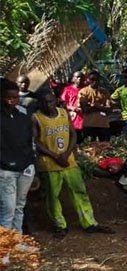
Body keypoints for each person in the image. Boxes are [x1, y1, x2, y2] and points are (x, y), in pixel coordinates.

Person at [32, 90, 112, 238]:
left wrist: (67, 153)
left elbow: (73, 134)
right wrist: (55, 156)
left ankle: (89, 223)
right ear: (40, 103)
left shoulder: (63, 113)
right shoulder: (36, 118)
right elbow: (35, 141)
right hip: (49, 164)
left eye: (51, 101)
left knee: (79, 192)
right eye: (45, 102)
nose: (48, 105)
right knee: (52, 196)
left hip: (69, 162)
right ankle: (60, 225)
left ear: (56, 101)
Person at [0, 78, 36, 232]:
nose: (12, 101)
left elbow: (31, 142)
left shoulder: (23, 115)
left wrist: (34, 167)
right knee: (8, 209)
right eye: (8, 97)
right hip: (5, 170)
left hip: (26, 168)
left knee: (19, 207)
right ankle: (5, 251)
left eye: (15, 97)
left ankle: (17, 244)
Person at [78, 71, 112, 142]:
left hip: (103, 124)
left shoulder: (105, 92)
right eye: (92, 79)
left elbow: (109, 109)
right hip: (89, 124)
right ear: (88, 80)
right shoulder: (83, 91)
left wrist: (93, 105)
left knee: (105, 147)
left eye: (97, 79)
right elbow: (85, 109)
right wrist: (101, 107)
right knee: (89, 147)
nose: (95, 82)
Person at [60, 71, 85, 141]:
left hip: (85, 120)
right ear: (73, 79)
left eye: (81, 77)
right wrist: (72, 108)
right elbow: (62, 103)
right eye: (77, 77)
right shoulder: (67, 90)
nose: (79, 79)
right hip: (73, 120)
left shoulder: (86, 90)